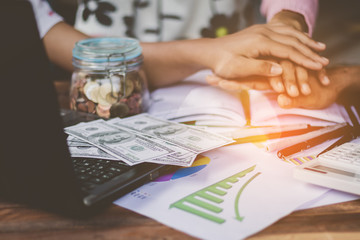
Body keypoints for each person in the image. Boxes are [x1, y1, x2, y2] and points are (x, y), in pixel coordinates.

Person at [29, 0, 328, 104]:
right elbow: (37, 23)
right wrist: (207, 53)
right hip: (96, 84)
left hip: (233, 73)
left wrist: (288, 21)